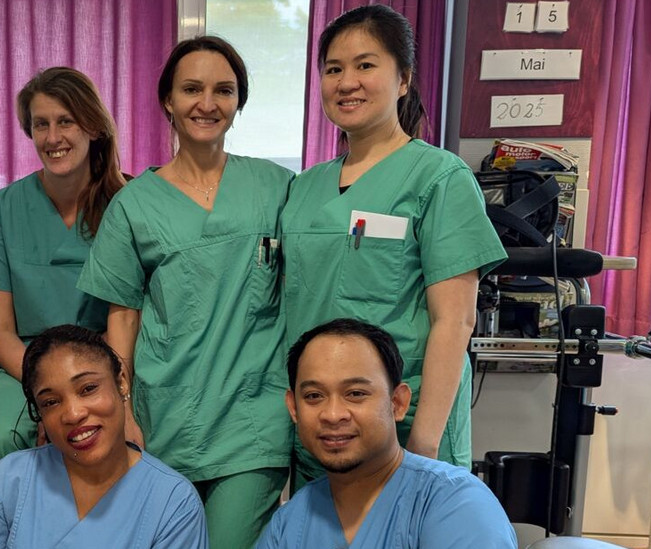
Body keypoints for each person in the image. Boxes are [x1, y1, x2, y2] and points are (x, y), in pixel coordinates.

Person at [77, 36, 294, 549]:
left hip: (253, 421)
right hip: (165, 416)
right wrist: (123, 409)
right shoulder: (134, 205)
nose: (207, 103)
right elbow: (123, 317)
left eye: (224, 90)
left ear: (238, 102)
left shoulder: (277, 187)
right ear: (168, 101)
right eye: (192, 89)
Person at [281, 5, 506, 484]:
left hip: (402, 429)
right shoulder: (303, 188)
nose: (347, 82)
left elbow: (455, 321)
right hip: (321, 429)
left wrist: (423, 446)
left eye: (365, 65)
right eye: (333, 69)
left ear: (403, 79)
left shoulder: (439, 177)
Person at [0, 67, 126, 470]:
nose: (52, 138)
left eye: (66, 121)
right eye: (41, 124)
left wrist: (79, 390)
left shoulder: (127, 203)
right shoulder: (3, 210)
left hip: (106, 361)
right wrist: (48, 392)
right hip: (22, 362)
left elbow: (130, 320)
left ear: (93, 127)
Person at [256, 318, 517, 548]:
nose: (333, 414)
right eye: (314, 396)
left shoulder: (454, 503)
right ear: (293, 408)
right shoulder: (289, 523)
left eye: (355, 393)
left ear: (397, 403)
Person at [0, 325, 208, 548]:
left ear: (121, 383)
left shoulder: (172, 503)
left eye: (88, 389)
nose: (73, 414)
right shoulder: (8, 481)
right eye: (51, 402)